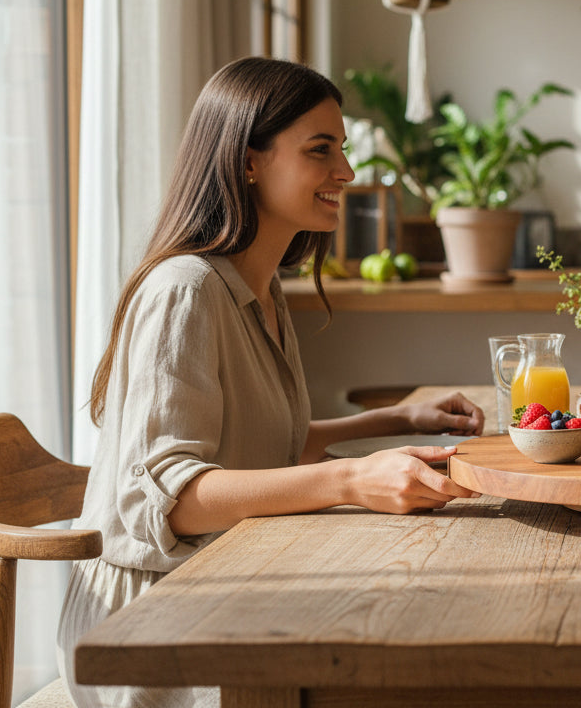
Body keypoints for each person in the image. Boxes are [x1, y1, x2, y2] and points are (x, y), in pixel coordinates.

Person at [56, 57, 482, 707]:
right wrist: (350, 479)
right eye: (321, 150)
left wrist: (393, 421)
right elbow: (176, 501)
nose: (346, 172)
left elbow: (254, 445)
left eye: (341, 150)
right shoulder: (187, 291)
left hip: (228, 578)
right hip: (152, 624)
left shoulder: (258, 283)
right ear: (248, 160)